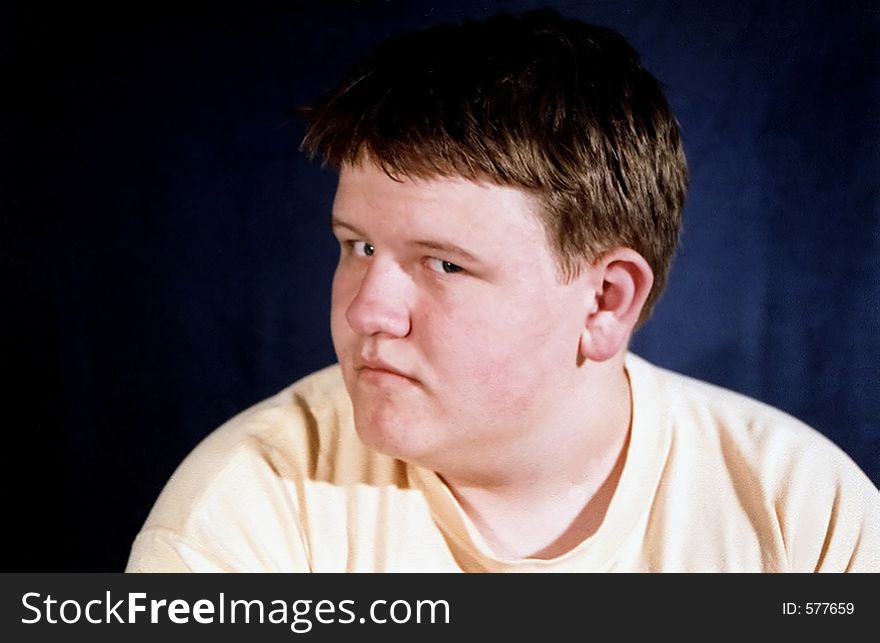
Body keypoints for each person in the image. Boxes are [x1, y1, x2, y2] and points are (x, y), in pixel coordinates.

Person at [126, 10, 879, 572]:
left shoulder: (808, 521)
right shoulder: (242, 519)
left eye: (443, 263)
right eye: (358, 246)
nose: (366, 310)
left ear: (606, 300)